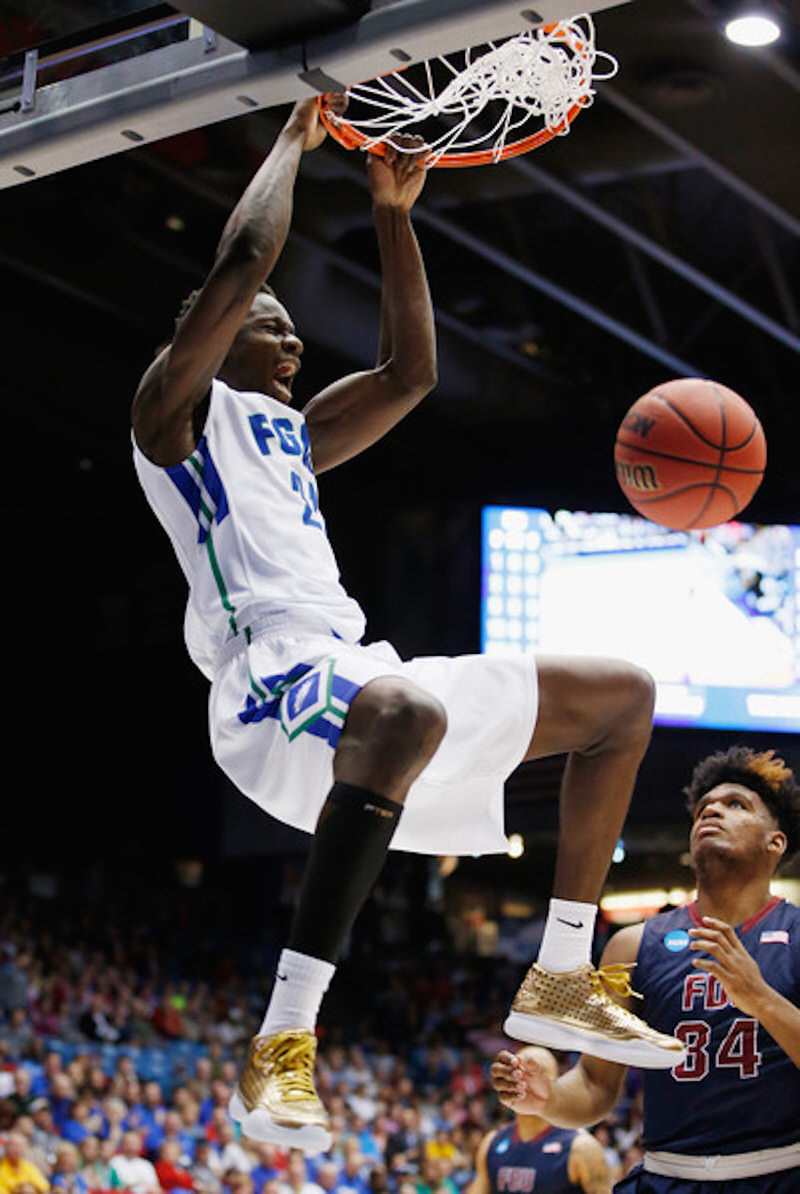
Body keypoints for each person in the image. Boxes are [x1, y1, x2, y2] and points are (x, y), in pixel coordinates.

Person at [130, 93, 682, 1156]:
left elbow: (409, 374)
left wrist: (392, 210)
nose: (290, 334)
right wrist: (291, 141)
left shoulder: (289, 437)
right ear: (205, 328)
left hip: (352, 671)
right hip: (268, 689)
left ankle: (561, 971)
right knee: (400, 704)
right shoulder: (173, 412)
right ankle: (284, 1042)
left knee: (621, 698)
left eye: (290, 323)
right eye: (271, 321)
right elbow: (243, 259)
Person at [490, 746, 800, 1191]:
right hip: (667, 1176)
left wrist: (763, 1000)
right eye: (703, 809)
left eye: (736, 804)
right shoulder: (633, 945)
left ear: (776, 841)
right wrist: (548, 1099)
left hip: (779, 1175)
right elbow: (596, 1086)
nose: (711, 810)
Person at [467, 1047, 611, 1194]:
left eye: (537, 1075)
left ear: (555, 1083)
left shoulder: (582, 1148)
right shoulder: (491, 1143)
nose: (528, 1082)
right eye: (520, 1073)